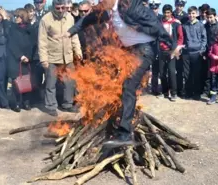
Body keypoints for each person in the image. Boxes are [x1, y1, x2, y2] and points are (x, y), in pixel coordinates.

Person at [65, 0, 174, 143]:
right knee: (118, 82)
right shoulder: (107, 11)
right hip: (129, 50)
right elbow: (88, 19)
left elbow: (155, 24)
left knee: (128, 86)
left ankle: (124, 133)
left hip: (144, 50)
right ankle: (117, 118)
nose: (100, 3)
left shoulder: (131, 7)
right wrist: (69, 32)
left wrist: (172, 45)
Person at [38, 0, 82, 117]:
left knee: (69, 83)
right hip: (52, 57)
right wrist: (44, 59)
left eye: (63, 8)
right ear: (53, 7)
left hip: (67, 57)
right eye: (58, 8)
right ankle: (51, 106)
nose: (61, 10)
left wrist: (77, 50)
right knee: (50, 84)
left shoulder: (70, 18)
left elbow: (74, 36)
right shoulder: (45, 20)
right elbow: (42, 41)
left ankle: (67, 104)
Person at [6, 8, 33, 112]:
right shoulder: (12, 29)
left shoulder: (29, 28)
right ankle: (16, 103)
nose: (16, 18)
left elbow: (32, 44)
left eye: (18, 16)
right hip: (15, 60)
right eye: (15, 16)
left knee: (26, 81)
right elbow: (12, 44)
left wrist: (28, 57)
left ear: (23, 17)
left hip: (27, 60)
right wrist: (20, 56)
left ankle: (26, 103)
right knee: (16, 83)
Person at [158, 4, 183, 101]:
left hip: (172, 51)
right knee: (162, 73)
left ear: (171, 13)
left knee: (172, 72)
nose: (166, 14)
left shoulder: (176, 23)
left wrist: (177, 49)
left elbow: (181, 38)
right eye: (165, 12)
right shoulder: (160, 23)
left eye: (168, 12)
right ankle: (165, 92)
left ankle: (174, 93)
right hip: (161, 51)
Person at [182, 6, 207, 100]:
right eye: (189, 13)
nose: (191, 15)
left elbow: (204, 38)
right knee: (187, 73)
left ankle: (196, 93)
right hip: (186, 52)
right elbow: (182, 38)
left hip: (197, 53)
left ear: (196, 14)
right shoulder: (185, 25)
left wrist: (202, 50)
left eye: (193, 13)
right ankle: (188, 92)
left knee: (196, 73)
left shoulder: (200, 25)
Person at [25, 3, 45, 105]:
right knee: (29, 78)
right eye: (28, 12)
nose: (30, 14)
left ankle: (38, 98)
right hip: (27, 56)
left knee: (38, 78)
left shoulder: (40, 22)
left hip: (38, 54)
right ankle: (30, 99)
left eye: (31, 11)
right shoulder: (24, 24)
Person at [203, 8, 218, 97]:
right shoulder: (205, 26)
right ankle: (207, 91)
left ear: (215, 16)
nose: (209, 19)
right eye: (208, 17)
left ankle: (217, 91)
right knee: (208, 73)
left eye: (211, 17)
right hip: (208, 52)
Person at [173, 0, 188, 98]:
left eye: (181, 5)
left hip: (183, 46)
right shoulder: (172, 14)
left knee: (183, 70)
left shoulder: (186, 16)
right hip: (173, 45)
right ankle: (175, 89)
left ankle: (183, 90)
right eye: (178, 5)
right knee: (173, 70)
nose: (179, 7)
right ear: (175, 5)